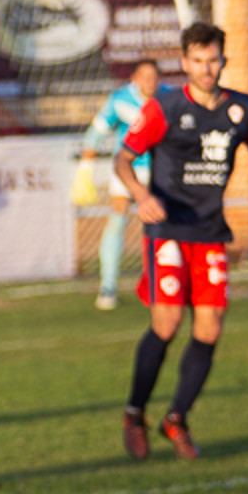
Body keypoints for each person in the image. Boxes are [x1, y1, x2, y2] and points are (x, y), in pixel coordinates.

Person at [114, 22, 248, 461]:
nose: (206, 69)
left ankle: (176, 419)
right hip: (166, 230)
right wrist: (141, 195)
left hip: (209, 231)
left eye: (213, 60)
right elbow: (123, 159)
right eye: (198, 61)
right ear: (184, 63)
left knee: (210, 327)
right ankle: (134, 414)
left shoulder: (242, 108)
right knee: (166, 324)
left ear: (224, 60)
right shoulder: (163, 108)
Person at [80, 59, 162, 309]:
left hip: (159, 170)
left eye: (153, 77)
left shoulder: (169, 98)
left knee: (160, 226)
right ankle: (108, 286)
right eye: (144, 77)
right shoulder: (120, 100)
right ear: (134, 78)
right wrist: (85, 169)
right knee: (117, 220)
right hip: (127, 170)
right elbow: (96, 132)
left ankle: (159, 283)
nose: (149, 82)